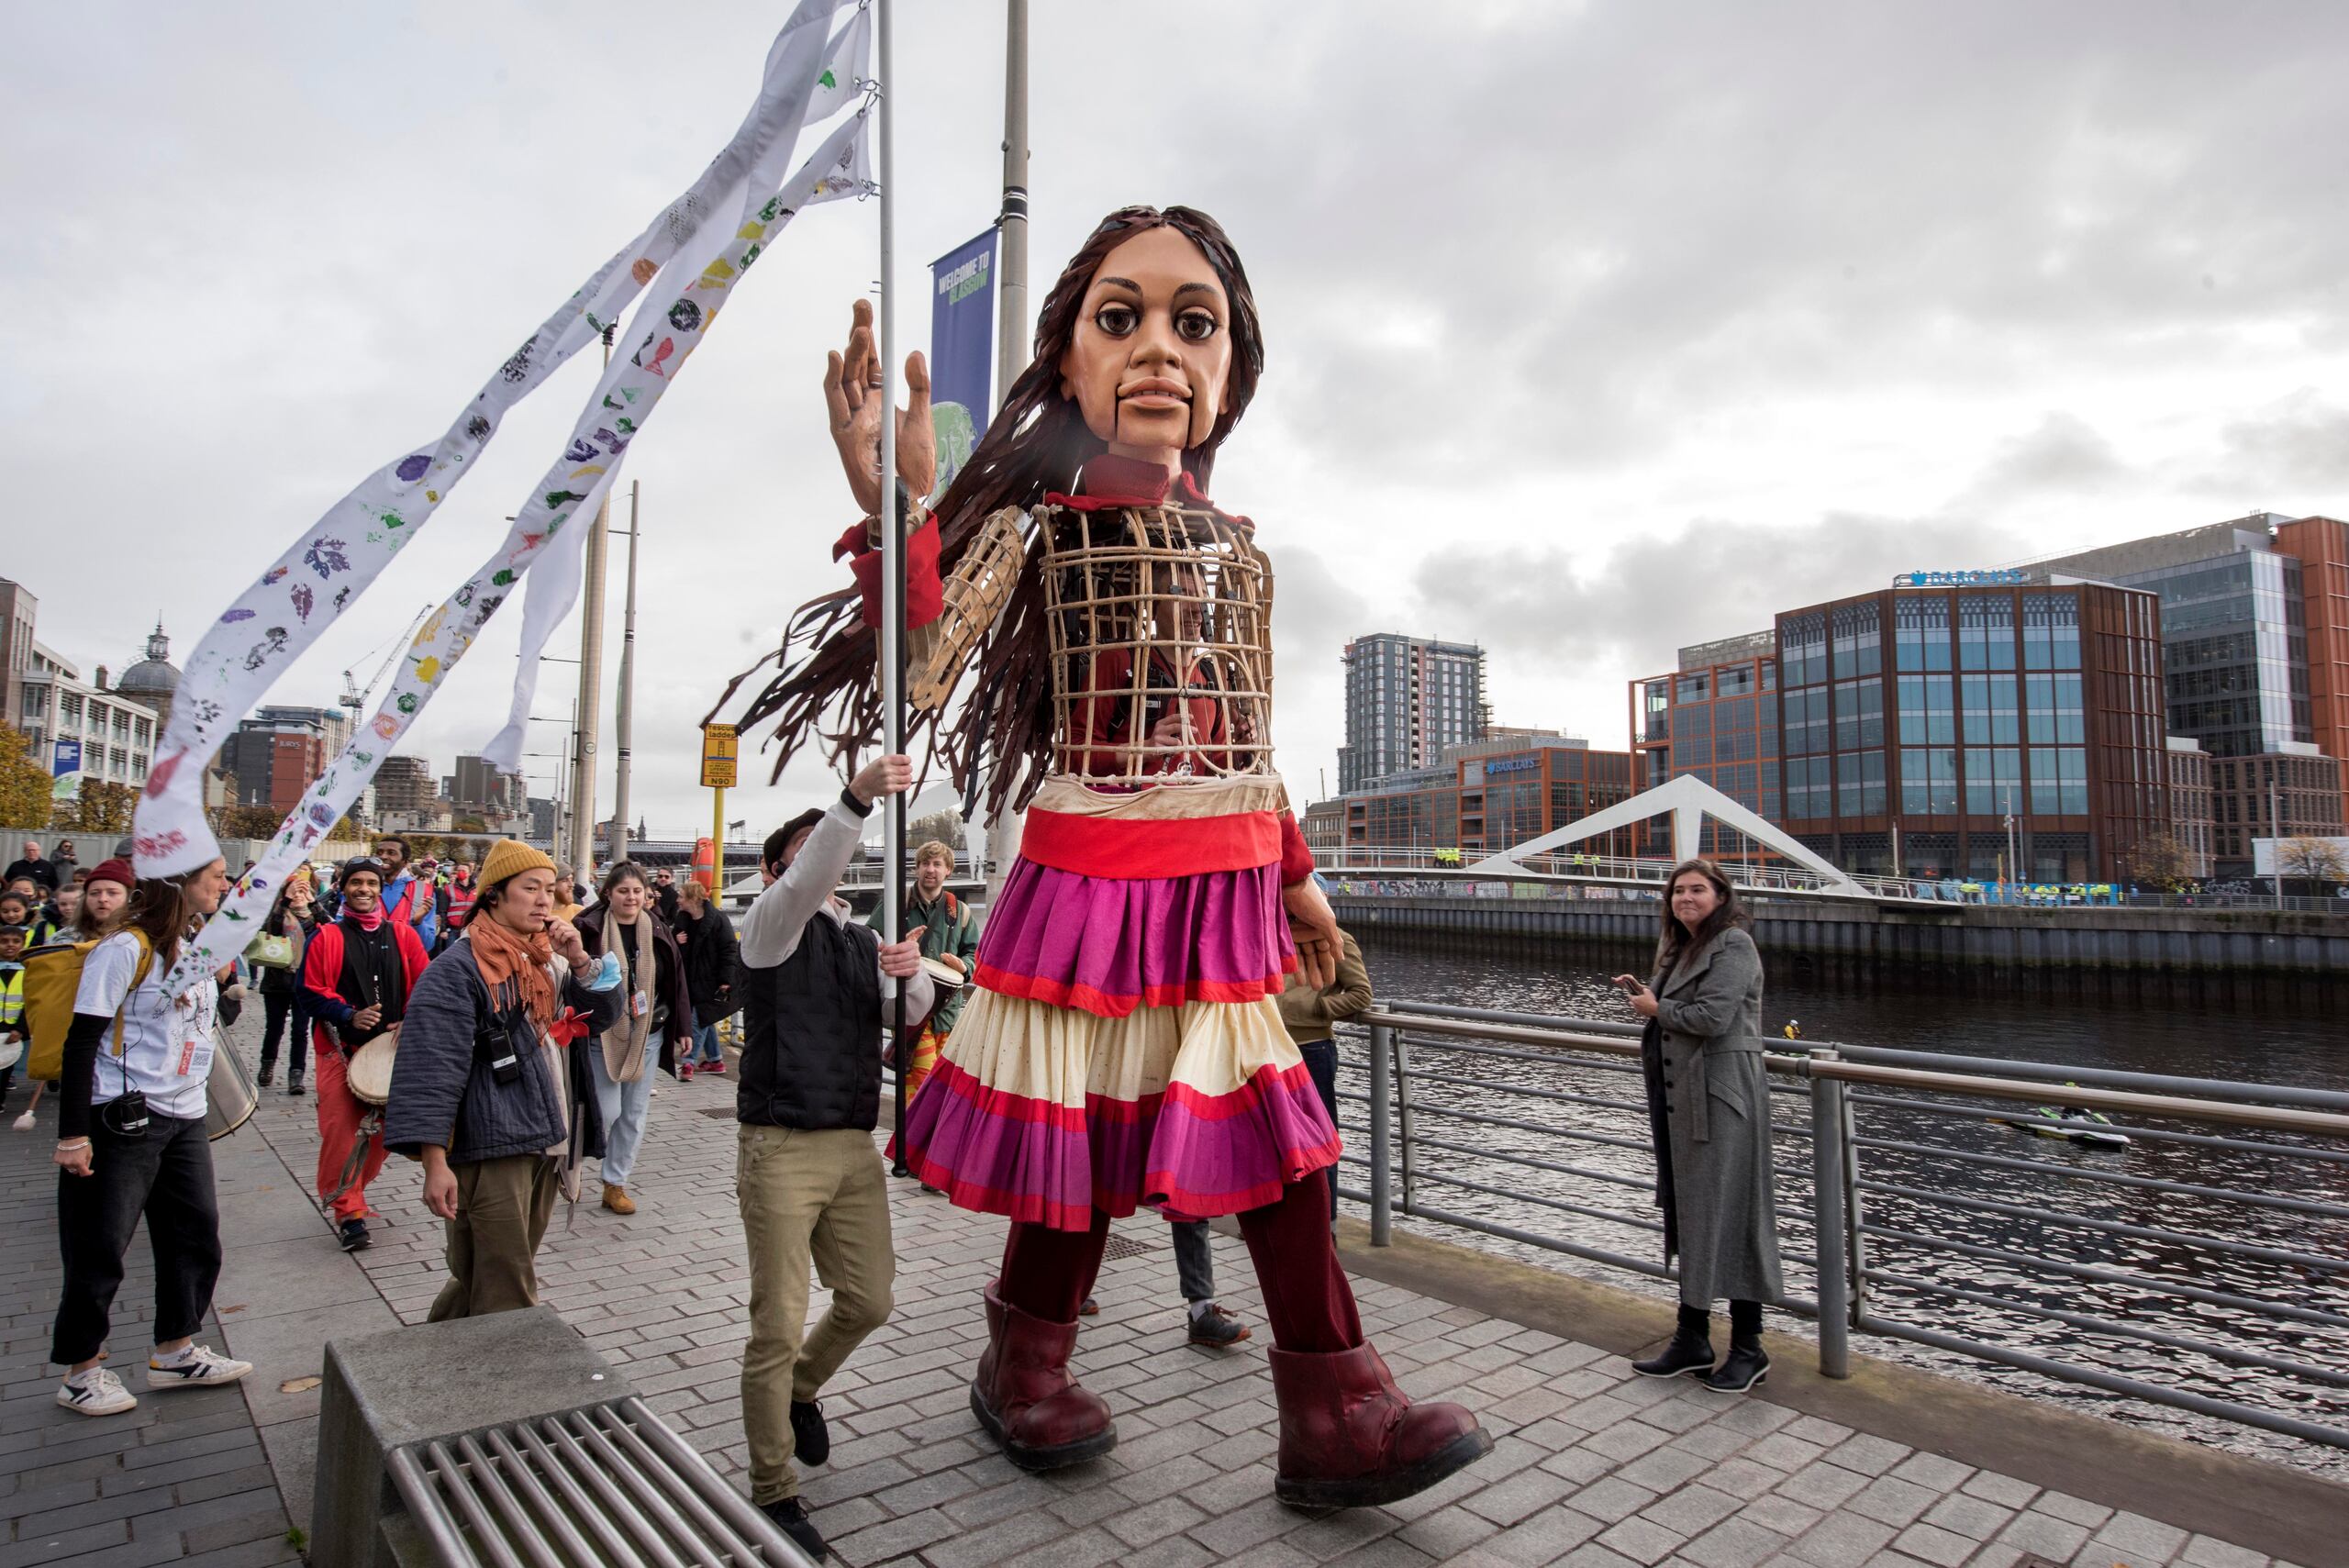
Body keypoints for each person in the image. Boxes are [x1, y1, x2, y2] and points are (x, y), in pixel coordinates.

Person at [731, 208, 1490, 1510]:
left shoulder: (1233, 542)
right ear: (1069, 362)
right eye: (1119, 317)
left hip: (1222, 886)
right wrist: (896, 509)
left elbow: (1240, 737)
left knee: (1278, 1148)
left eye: (1194, 323)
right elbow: (922, 653)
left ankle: (1314, 1405)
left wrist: (1297, 878)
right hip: (1089, 882)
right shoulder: (1049, 521)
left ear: (1233, 371)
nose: (1157, 349)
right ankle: (1087, 1371)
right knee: (1093, 1149)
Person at [731, 758, 931, 1558]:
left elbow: (906, 1016)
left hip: (851, 1144)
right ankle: (773, 1487)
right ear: (782, 867)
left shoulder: (857, 939)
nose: (825, 854)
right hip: (781, 1145)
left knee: (870, 1299)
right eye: (807, 848)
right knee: (774, 1324)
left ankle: (800, 1393)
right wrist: (851, 802)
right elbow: (813, 871)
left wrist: (910, 977)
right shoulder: (770, 923)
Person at [384, 840, 623, 1319]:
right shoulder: (458, 969)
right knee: (506, 1283)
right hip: (489, 1145)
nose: (543, 900)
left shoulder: (544, 960)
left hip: (541, 1135)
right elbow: (430, 1069)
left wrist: (579, 959)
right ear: (493, 895)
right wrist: (434, 1161)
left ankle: (432, 1361)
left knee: (489, 1272)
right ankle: (508, 1383)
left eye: (548, 890)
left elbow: (601, 1020)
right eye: (528, 889)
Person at [50, 858, 252, 1417]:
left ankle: (176, 1351)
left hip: (185, 1117)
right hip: (122, 1119)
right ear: (177, 882)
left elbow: (201, 1025)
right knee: (101, 1247)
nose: (222, 884)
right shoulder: (123, 950)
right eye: (213, 875)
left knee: (194, 1234)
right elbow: (81, 1041)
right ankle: (81, 1370)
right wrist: (72, 1135)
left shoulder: (194, 944)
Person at [1617, 858, 1781, 1395]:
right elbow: (1677, 1008)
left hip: (1721, 1097)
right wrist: (1654, 999)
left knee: (1731, 1213)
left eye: (1697, 890)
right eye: (1678, 891)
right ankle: (1692, 1338)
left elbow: (1711, 1017)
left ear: (1720, 895)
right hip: (1682, 1096)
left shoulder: (1734, 945)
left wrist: (1655, 1007)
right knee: (1693, 1211)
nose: (1685, 898)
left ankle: (1749, 1347)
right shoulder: (1681, 947)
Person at [301, 857, 430, 1251]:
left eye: (371, 883)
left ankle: (352, 1187)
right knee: (343, 1130)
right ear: (343, 887)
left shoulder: (404, 935)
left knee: (383, 1136)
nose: (364, 889)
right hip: (339, 1052)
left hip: (389, 1054)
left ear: (380, 887)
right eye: (356, 882)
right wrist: (348, 1014)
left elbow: (426, 985)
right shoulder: (326, 938)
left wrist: (410, 1020)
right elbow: (309, 993)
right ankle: (349, 1211)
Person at [573, 863, 691, 1215]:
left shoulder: (656, 929)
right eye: (624, 891)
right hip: (602, 1033)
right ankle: (570, 1167)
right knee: (606, 1111)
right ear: (608, 893)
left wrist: (683, 1027)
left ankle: (615, 1183)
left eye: (638, 891)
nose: (631, 897)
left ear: (647, 895)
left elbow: (676, 979)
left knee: (633, 1114)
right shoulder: (588, 928)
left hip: (648, 1033)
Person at [863, 840, 978, 1106]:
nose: (931, 869)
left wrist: (965, 967)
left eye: (937, 864)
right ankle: (910, 1140)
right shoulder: (896, 904)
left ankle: (919, 1140)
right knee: (923, 1080)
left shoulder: (959, 911)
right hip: (911, 1009)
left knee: (938, 1084)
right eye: (925, 863)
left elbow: (973, 952)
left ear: (948, 870)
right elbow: (869, 942)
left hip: (947, 1013)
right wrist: (897, 948)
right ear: (916, 869)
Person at [1275, 908, 1373, 1218]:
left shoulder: (1338, 940)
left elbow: (1361, 995)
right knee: (1277, 1135)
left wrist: (1317, 1009)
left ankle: (1324, 1221)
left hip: (1311, 1047)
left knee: (1320, 1138)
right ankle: (1282, 1215)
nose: (1292, 915)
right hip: (1271, 1049)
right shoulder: (1274, 938)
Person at [669, 878, 738, 1078]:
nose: (678, 900)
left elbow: (729, 949)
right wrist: (675, 941)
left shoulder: (717, 920)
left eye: (682, 896)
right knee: (705, 1020)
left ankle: (688, 1063)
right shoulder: (682, 921)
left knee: (696, 1021)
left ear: (693, 899)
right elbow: (673, 951)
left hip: (711, 979)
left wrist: (727, 978)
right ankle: (716, 1060)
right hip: (689, 978)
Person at [256, 871, 318, 1093]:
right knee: (274, 1028)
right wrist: (286, 900)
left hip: (303, 983)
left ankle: (296, 1074)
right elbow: (271, 927)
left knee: (300, 1030)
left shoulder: (312, 917)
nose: (299, 895)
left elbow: (329, 927)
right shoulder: (278, 915)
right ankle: (267, 1067)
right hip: (276, 983)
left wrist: (313, 902)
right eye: (295, 891)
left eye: (303, 890)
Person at [373, 837, 440, 951]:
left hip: (404, 964)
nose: (383, 856)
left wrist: (418, 923)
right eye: (379, 852)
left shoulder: (424, 891)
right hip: (366, 961)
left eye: (391, 853)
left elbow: (427, 944)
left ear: (405, 861)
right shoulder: (364, 887)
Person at [0, 925, 27, 1111]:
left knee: (5, 1066)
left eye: (16, 941)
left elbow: (31, 1002)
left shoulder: (28, 969)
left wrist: (21, 1028)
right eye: (4, 941)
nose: (10, 945)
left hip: (13, 1026)